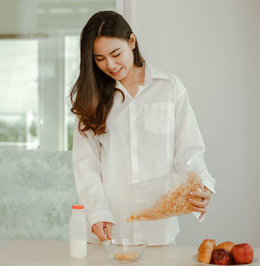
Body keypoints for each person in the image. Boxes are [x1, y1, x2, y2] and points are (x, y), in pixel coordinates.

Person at [70, 10, 216, 245]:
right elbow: (86, 167)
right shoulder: (91, 99)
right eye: (99, 59)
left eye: (116, 54)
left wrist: (203, 186)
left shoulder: (170, 89)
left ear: (132, 41)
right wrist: (97, 213)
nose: (110, 64)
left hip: (158, 233)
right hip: (109, 233)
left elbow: (189, 151)